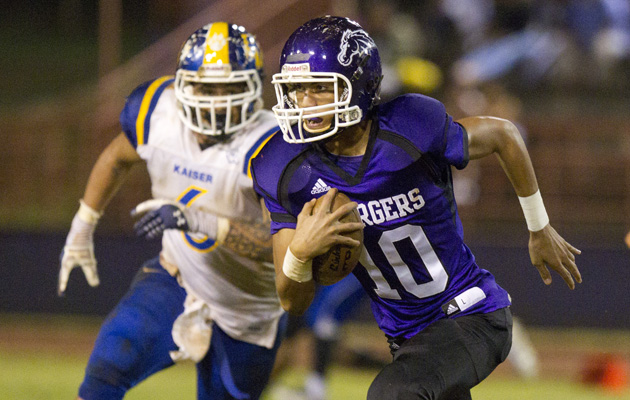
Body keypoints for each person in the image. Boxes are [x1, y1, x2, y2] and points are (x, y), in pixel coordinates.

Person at [251, 16, 582, 399]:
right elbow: (292, 301)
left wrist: (539, 228)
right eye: (297, 89)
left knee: (392, 394)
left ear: (358, 87)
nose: (304, 104)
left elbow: (503, 135)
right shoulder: (284, 167)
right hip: (409, 340)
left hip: (470, 312)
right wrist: (300, 254)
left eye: (320, 89)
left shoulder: (409, 127)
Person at [58, 22, 285, 400]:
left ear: (252, 88)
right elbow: (117, 156)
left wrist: (198, 220)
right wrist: (83, 224)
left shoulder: (273, 145)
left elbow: (280, 244)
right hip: (176, 279)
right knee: (104, 372)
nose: (214, 101)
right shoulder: (159, 114)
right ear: (182, 85)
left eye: (227, 89)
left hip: (247, 310)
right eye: (205, 88)